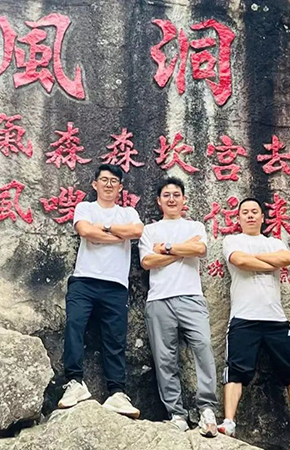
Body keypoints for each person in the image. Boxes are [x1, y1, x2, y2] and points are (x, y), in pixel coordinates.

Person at [218, 198, 290, 446]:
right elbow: (240, 261)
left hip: (276, 320)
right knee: (236, 373)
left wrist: (255, 259)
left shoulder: (274, 242)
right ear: (238, 218)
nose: (250, 215)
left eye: (255, 211)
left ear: (263, 217)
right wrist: (266, 262)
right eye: (245, 212)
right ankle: (229, 423)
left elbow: (285, 258)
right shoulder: (232, 241)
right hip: (243, 318)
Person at [57, 164, 143, 418]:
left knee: (115, 338)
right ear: (95, 184)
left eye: (114, 181)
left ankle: (117, 393)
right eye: (104, 180)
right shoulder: (85, 208)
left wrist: (102, 230)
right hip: (84, 280)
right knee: (74, 326)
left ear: (120, 187)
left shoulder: (128, 212)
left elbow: (137, 231)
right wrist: (118, 234)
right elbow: (85, 231)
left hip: (116, 284)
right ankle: (74, 383)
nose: (108, 184)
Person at [138, 177, 218, 437]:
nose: (171, 199)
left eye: (176, 194)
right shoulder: (150, 230)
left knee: (203, 347)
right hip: (159, 300)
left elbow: (200, 249)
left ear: (184, 200)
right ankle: (177, 414)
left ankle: (207, 409)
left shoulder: (195, 226)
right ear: (158, 201)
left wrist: (167, 248)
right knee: (165, 359)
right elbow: (147, 262)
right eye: (166, 195)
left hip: (191, 297)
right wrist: (184, 250)